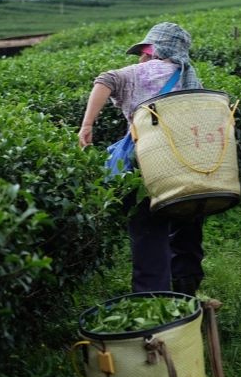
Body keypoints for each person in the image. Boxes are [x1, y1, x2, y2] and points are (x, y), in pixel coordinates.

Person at [78, 22, 206, 297]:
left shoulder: (140, 73)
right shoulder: (191, 79)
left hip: (147, 166)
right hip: (188, 166)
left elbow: (105, 80)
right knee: (187, 225)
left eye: (144, 52)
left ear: (154, 51)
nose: (141, 58)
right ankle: (187, 293)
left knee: (149, 232)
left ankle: (153, 299)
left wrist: (87, 125)